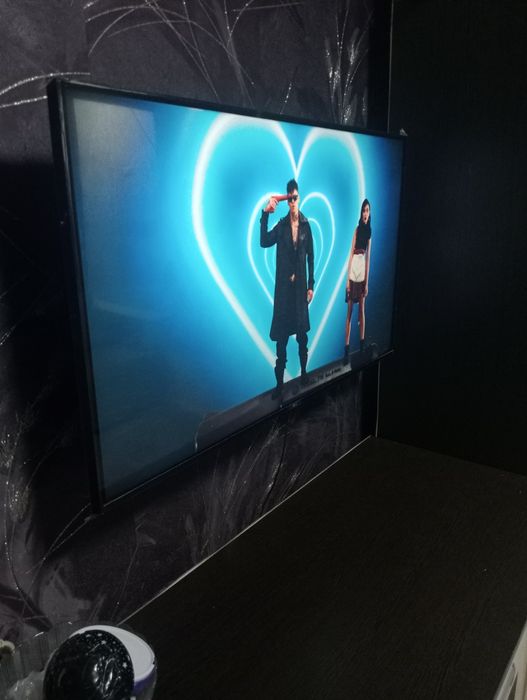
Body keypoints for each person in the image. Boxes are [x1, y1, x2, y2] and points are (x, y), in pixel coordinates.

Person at [260, 179, 314, 397]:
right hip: (284, 293)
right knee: (281, 342)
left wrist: (311, 285)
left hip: (299, 291)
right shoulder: (281, 226)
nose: (292, 201)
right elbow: (264, 241)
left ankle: (304, 374)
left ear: (299, 198)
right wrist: (266, 214)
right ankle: (279, 386)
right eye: (289, 198)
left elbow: (311, 257)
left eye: (295, 197)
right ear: (287, 199)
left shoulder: (306, 225)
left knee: (302, 337)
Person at [344, 198, 372, 360]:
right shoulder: (356, 230)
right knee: (350, 311)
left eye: (367, 210)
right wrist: (347, 280)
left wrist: (367, 282)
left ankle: (362, 347)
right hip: (354, 269)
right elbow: (350, 253)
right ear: (361, 213)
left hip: (362, 271)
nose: (365, 213)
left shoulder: (369, 232)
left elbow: (368, 258)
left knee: (362, 310)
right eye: (363, 210)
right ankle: (346, 351)